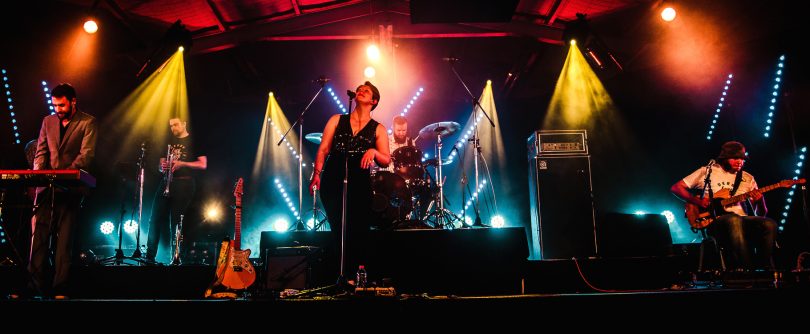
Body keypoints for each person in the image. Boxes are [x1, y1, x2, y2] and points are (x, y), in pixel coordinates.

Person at [309, 81, 390, 280]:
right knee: (338, 226)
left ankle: (357, 275)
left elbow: (386, 159)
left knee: (358, 228)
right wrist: (317, 173)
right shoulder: (337, 119)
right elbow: (324, 148)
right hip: (333, 176)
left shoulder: (378, 128)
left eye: (366, 90)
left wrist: (373, 151)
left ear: (374, 101)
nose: (360, 90)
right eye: (359, 88)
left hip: (360, 180)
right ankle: (339, 275)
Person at [30, 83, 97, 298]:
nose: (58, 109)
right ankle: (34, 287)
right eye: (55, 105)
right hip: (47, 189)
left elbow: (85, 156)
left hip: (70, 189)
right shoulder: (47, 122)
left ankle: (61, 287)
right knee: (38, 239)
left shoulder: (88, 122)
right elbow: (40, 151)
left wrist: (63, 175)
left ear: (73, 101)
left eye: (62, 105)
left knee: (64, 242)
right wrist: (38, 175)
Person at [671, 141, 776, 271]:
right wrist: (698, 202)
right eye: (735, 158)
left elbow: (761, 214)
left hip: (742, 219)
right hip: (715, 221)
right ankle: (746, 270)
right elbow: (677, 187)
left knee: (769, 223)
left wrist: (760, 201)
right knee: (733, 220)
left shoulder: (748, 178)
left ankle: (762, 267)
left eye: (742, 159)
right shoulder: (707, 171)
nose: (740, 162)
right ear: (724, 158)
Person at [146, 117, 207, 264]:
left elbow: (203, 164)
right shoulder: (167, 142)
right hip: (166, 182)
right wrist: (163, 167)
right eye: (171, 126)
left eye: (176, 124)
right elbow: (160, 165)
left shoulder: (194, 140)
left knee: (175, 221)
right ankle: (149, 257)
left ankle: (176, 257)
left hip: (185, 183)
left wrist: (182, 163)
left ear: (184, 124)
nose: (173, 128)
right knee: (154, 219)